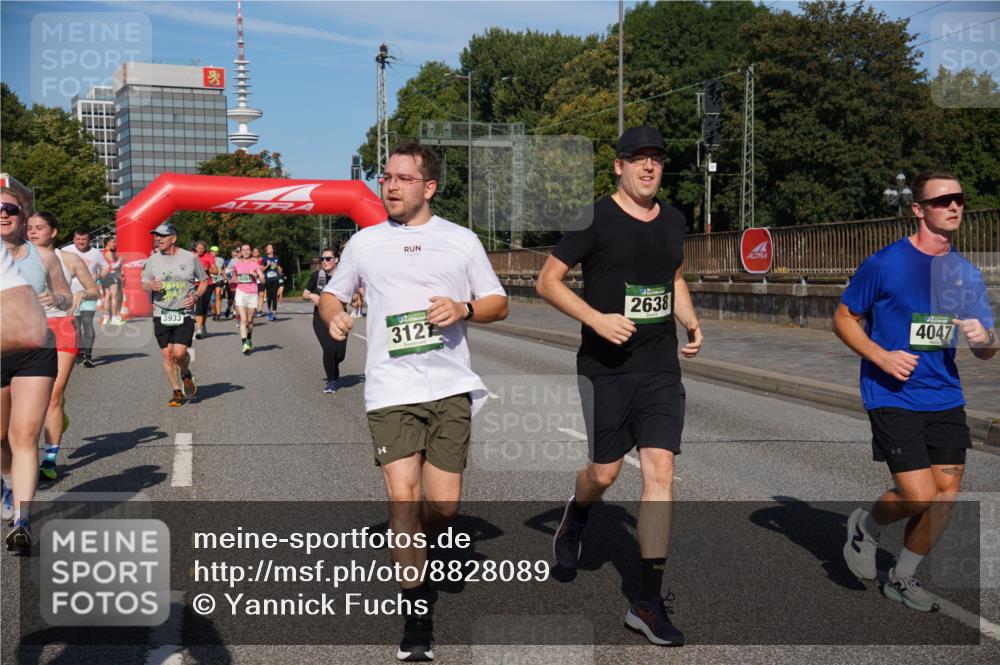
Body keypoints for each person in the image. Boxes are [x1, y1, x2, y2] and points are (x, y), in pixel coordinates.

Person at [320, 141, 508, 662]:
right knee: (403, 498)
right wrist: (334, 316)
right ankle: (417, 618)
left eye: (403, 178)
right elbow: (333, 294)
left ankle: (418, 542)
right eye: (386, 177)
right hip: (390, 388)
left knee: (444, 505)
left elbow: (499, 303)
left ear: (429, 187)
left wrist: (464, 308)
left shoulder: (461, 240)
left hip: (448, 386)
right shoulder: (365, 243)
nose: (391, 186)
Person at [535, 126, 703, 647]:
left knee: (660, 471)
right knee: (604, 473)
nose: (648, 167)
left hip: (659, 366)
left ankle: (647, 603)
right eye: (638, 158)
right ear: (619, 166)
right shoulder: (595, 218)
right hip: (605, 366)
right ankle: (579, 512)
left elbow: (674, 277)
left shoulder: (673, 219)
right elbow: (547, 281)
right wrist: (597, 319)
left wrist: (690, 321)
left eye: (656, 159)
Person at [836, 171, 995, 612]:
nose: (953, 206)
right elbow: (844, 318)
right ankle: (865, 528)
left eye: (959, 198)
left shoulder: (965, 274)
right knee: (918, 493)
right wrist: (881, 357)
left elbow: (987, 349)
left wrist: (984, 337)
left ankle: (903, 577)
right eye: (942, 200)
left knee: (946, 494)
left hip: (945, 396)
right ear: (918, 209)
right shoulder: (886, 263)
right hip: (892, 393)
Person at [1, 187, 71, 551]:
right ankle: (7, 481)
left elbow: (66, 295)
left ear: (24, 215)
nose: (3, 214)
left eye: (9, 208)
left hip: (36, 349)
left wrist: (55, 298)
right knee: (1, 439)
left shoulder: (43, 256)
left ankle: (22, 520)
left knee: (25, 436)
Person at [27, 211, 100, 481]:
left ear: (54, 232)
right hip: (26, 329)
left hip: (61, 328)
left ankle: (49, 458)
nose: (33, 232)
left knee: (53, 396)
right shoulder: (16, 259)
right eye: (30, 227)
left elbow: (94, 290)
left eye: (40, 227)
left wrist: (81, 293)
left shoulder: (68, 259)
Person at [141, 222, 208, 407]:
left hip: (184, 312)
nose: (158, 238)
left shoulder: (190, 258)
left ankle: (185, 373)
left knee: (179, 353)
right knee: (167, 355)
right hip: (161, 311)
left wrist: (195, 297)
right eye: (156, 235)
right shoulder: (152, 260)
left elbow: (204, 281)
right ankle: (177, 391)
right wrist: (150, 286)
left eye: (162, 235)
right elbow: (144, 283)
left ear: (174, 238)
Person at [61, 228, 109, 367]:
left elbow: (106, 267)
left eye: (83, 239)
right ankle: (80, 352)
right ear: (73, 239)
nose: (80, 242)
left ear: (89, 240)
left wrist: (98, 276)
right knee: (75, 325)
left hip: (89, 293)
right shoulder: (65, 251)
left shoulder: (96, 253)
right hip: (71, 294)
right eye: (78, 239)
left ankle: (87, 356)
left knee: (87, 322)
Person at [303, 249, 348, 393]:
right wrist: (312, 296)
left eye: (328, 258)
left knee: (340, 355)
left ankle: (334, 367)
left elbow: (353, 294)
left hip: (340, 317)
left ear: (336, 260)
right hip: (320, 317)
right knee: (329, 348)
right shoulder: (317, 276)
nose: (324, 261)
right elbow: (305, 294)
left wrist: (355, 297)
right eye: (322, 259)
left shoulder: (343, 276)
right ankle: (331, 381)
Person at [231, 243, 265, 354]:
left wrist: (255, 275)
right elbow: (234, 276)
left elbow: (263, 280)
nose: (245, 251)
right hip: (240, 292)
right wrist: (234, 279)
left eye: (247, 250)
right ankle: (244, 344)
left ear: (250, 252)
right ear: (241, 252)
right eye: (243, 250)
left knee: (250, 320)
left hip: (252, 294)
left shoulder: (254, 264)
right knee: (243, 319)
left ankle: (249, 338)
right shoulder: (237, 264)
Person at [192, 240, 218, 339]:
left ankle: (203, 326)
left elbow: (216, 271)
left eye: (202, 248)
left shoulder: (209, 257)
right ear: (195, 248)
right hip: (195, 284)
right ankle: (198, 329)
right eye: (198, 248)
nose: (200, 250)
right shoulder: (192, 257)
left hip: (207, 284)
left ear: (205, 249)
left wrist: (207, 269)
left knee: (204, 307)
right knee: (198, 306)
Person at [101, 237, 124, 325]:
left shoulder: (104, 252)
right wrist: (120, 261)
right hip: (111, 275)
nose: (115, 244)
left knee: (107, 296)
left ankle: (106, 318)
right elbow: (113, 266)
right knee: (114, 296)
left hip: (105, 275)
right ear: (108, 243)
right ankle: (114, 319)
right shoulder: (108, 252)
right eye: (113, 242)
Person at [211, 245, 226, 321]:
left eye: (215, 251)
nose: (213, 253)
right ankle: (214, 312)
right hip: (210, 280)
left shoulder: (221, 260)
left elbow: (223, 269)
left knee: (218, 295)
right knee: (212, 299)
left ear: (217, 252)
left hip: (219, 279)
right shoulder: (208, 259)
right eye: (212, 251)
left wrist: (225, 276)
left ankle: (218, 314)